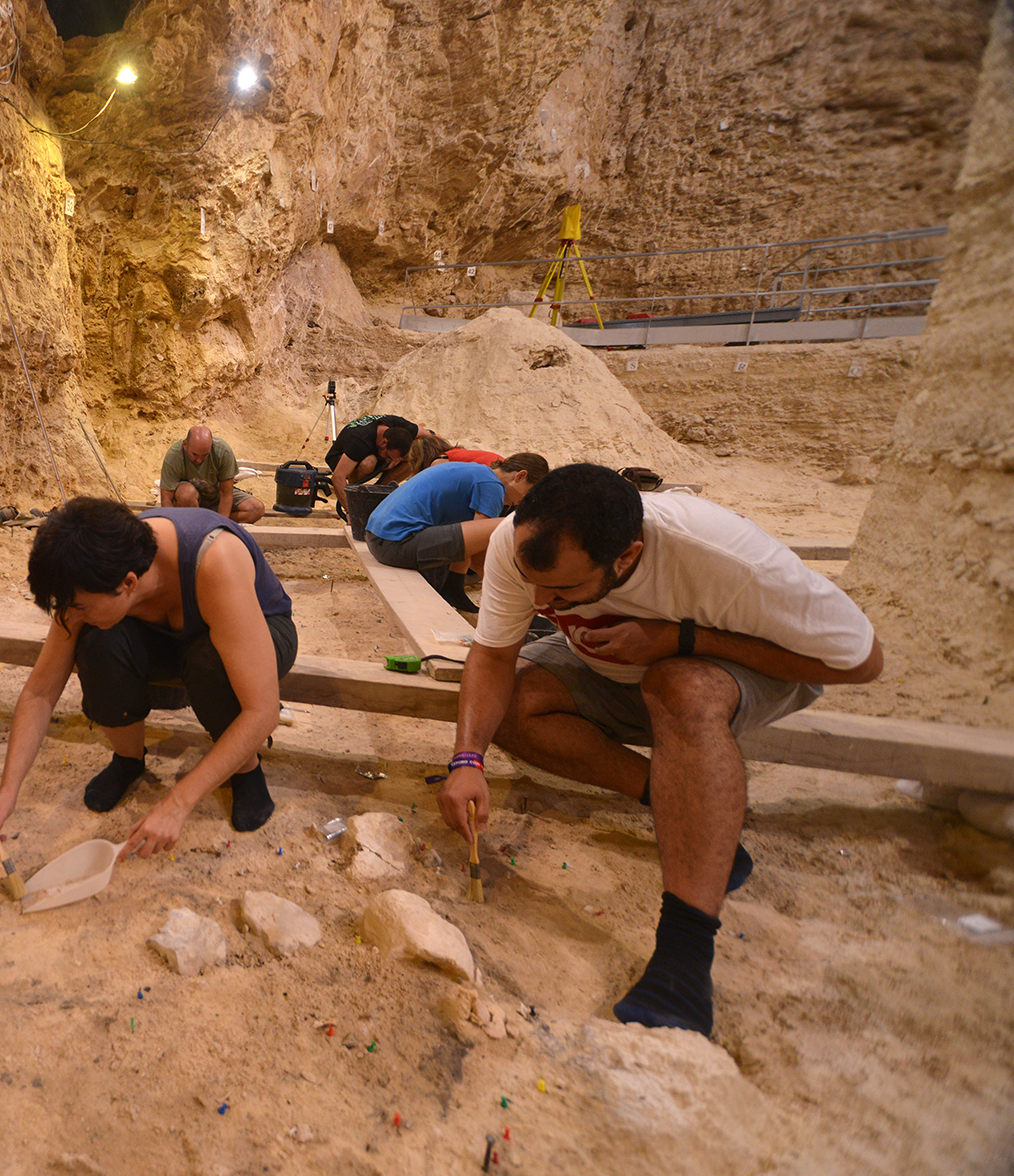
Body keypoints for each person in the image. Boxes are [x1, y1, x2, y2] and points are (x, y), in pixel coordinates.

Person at [438, 464, 882, 1036]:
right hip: (617, 667)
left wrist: (680, 638)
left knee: (677, 687)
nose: (541, 599)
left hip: (738, 665)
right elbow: (493, 657)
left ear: (625, 557)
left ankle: (684, 958)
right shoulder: (516, 542)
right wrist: (466, 760)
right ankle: (684, 810)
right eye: (533, 579)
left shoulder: (724, 558)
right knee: (513, 705)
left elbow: (861, 661)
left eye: (563, 590)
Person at [0, 498, 296, 859]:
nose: (73, 615)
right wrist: (8, 790)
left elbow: (262, 711)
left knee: (209, 661)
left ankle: (246, 768)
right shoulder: (89, 577)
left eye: (80, 607)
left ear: (129, 583)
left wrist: (177, 803)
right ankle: (128, 759)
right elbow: (40, 692)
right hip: (167, 635)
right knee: (98, 644)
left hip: (259, 630)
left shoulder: (214, 559)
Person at [363, 454, 549, 610]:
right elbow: (480, 555)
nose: (521, 501)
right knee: (507, 524)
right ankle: (502, 605)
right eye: (528, 494)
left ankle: (453, 589)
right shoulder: (492, 486)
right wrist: (510, 600)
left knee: (470, 530)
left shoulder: (477, 473)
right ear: (520, 476)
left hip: (377, 537)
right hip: (396, 543)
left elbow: (470, 539)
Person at [159, 425, 264, 525]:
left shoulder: (223, 451)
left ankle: (209, 523)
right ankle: (195, 524)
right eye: (194, 454)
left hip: (215, 494)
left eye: (205, 455)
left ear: (211, 444)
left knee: (256, 508)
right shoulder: (174, 455)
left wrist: (220, 524)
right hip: (189, 500)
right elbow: (167, 497)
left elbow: (226, 492)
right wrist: (170, 525)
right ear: (185, 445)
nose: (199, 460)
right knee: (186, 494)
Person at [323, 414, 419, 517]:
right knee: (369, 462)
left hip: (374, 452)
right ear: (384, 443)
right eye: (388, 457)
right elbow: (338, 477)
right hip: (342, 458)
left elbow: (428, 436)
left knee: (415, 456)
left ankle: (378, 493)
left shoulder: (399, 424)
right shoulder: (359, 440)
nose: (388, 461)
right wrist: (351, 511)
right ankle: (356, 497)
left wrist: (396, 458)